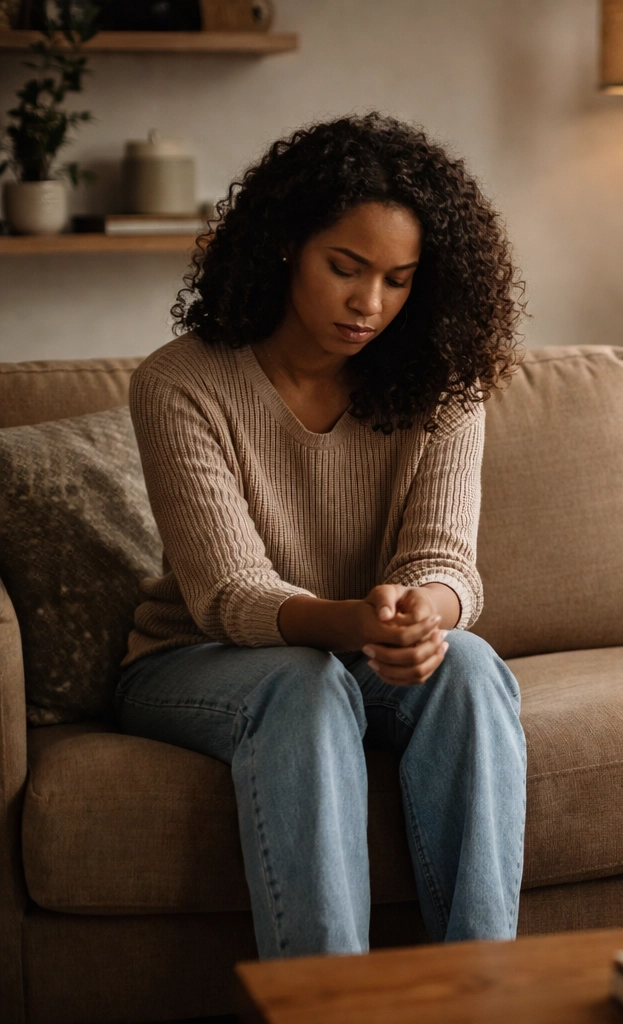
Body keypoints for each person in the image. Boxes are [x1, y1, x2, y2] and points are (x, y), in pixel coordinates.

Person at [116, 113, 528, 958]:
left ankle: (486, 993)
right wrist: (355, 622)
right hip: (195, 659)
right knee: (303, 686)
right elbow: (230, 594)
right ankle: (327, 1005)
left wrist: (425, 614)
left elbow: (448, 563)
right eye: (345, 268)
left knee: (474, 666)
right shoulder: (180, 383)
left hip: (362, 650)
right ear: (282, 247)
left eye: (399, 280)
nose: (368, 304)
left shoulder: (443, 386)